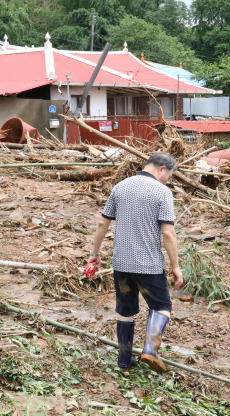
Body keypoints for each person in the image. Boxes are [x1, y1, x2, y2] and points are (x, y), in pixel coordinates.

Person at [86, 152, 183, 375]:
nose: (168, 179)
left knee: (125, 312)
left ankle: (124, 363)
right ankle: (150, 349)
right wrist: (175, 266)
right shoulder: (162, 192)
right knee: (161, 306)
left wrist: (95, 253)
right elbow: (168, 234)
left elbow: (103, 222)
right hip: (148, 265)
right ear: (162, 169)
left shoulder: (120, 187)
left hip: (121, 265)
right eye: (170, 175)